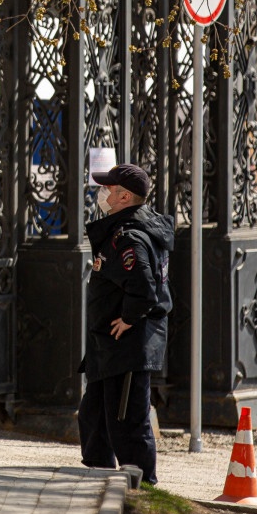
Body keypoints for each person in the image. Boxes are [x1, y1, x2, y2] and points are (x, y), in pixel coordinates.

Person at [80, 163, 174, 484]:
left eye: (107, 189)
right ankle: (98, 474)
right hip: (109, 346)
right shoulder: (123, 228)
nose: (101, 194)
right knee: (96, 415)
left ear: (123, 196)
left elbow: (145, 287)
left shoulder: (128, 237)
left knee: (127, 419)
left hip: (127, 346)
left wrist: (129, 317)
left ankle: (142, 482)